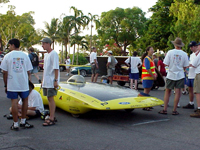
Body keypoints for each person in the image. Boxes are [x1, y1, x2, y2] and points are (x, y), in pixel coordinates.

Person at [0, 38, 34, 130]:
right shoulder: (25, 55)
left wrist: (6, 84)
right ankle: (23, 121)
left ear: (13, 45)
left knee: (14, 102)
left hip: (12, 83)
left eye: (10, 45)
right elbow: (28, 71)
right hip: (23, 83)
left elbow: (4, 72)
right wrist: (29, 82)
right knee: (25, 101)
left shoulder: (7, 56)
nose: (9, 47)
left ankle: (15, 124)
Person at [159, 37, 189, 115]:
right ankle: (174, 110)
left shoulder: (170, 52)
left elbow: (165, 63)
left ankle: (165, 109)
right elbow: (185, 66)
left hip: (171, 74)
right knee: (178, 92)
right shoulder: (184, 54)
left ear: (175, 44)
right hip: (180, 74)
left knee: (167, 91)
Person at [40, 37, 60, 126]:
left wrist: (55, 80)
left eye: (43, 44)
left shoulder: (54, 54)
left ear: (48, 44)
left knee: (51, 98)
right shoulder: (46, 55)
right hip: (46, 81)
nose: (42, 45)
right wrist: (43, 80)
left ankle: (52, 117)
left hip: (51, 80)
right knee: (48, 98)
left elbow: (56, 68)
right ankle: (51, 115)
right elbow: (45, 69)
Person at [139, 46, 157, 111]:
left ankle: (146, 105)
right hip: (147, 77)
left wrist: (155, 74)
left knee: (147, 91)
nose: (152, 51)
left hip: (149, 78)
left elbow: (152, 69)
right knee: (146, 92)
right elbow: (148, 68)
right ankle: (144, 105)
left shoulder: (150, 59)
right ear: (148, 51)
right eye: (151, 49)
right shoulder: (147, 59)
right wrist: (153, 75)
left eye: (153, 49)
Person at [182, 41, 198, 109]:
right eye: (190, 47)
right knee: (190, 89)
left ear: (196, 46)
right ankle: (191, 103)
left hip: (196, 74)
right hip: (190, 74)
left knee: (197, 91)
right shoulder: (191, 55)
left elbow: (194, 64)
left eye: (192, 46)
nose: (191, 48)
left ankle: (198, 106)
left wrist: (188, 66)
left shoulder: (198, 54)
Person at [190, 42, 200, 117]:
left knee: (197, 92)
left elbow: (193, 63)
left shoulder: (199, 54)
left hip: (199, 73)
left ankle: (199, 109)